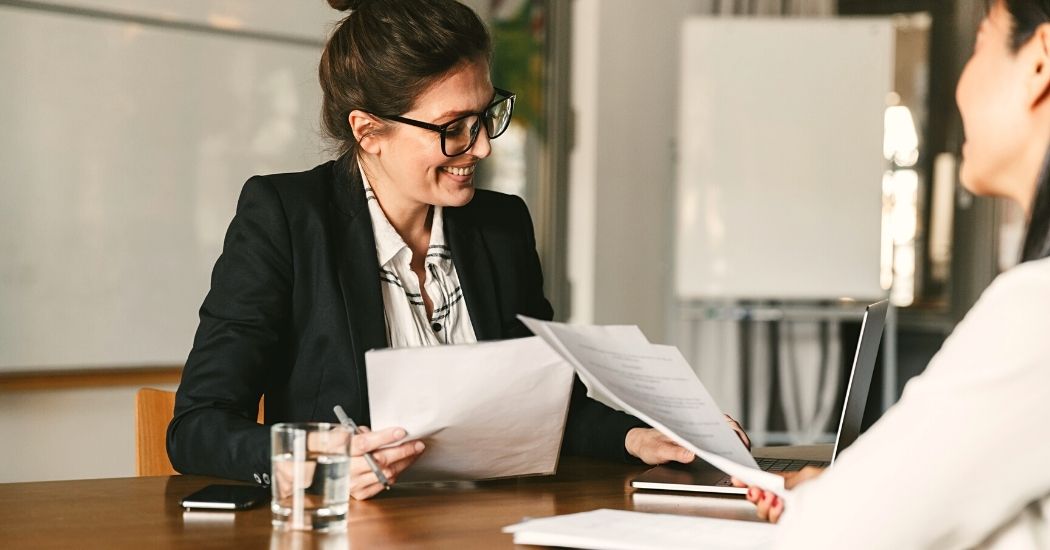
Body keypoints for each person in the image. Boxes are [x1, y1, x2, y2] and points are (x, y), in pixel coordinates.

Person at [167, 0, 741, 501]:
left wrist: (636, 435)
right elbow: (197, 426)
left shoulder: (500, 226)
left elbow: (542, 404)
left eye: (486, 115)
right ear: (368, 131)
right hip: (355, 529)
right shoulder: (287, 219)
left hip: (493, 524)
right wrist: (310, 462)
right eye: (453, 126)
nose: (482, 146)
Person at [734, 1, 1050, 547]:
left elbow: (830, 537)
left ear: (1040, 62)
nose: (960, 86)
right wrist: (847, 490)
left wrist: (825, 503)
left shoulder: (1034, 311)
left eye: (980, 42)